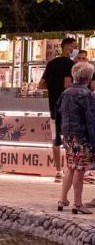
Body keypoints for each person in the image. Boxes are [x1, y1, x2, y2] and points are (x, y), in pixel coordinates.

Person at [55, 60, 95, 214]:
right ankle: (77, 204)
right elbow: (91, 120)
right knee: (80, 170)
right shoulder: (87, 95)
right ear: (89, 77)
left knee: (70, 168)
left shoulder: (66, 93)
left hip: (68, 136)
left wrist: (60, 136)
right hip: (82, 137)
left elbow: (58, 115)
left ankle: (63, 199)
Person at [39, 36, 77, 181]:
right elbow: (67, 84)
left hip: (53, 106)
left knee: (56, 139)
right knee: (69, 139)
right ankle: (70, 169)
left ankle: (58, 171)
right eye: (74, 46)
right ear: (67, 47)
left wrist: (53, 87)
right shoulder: (69, 63)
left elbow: (41, 84)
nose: (75, 49)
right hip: (67, 107)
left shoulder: (51, 63)